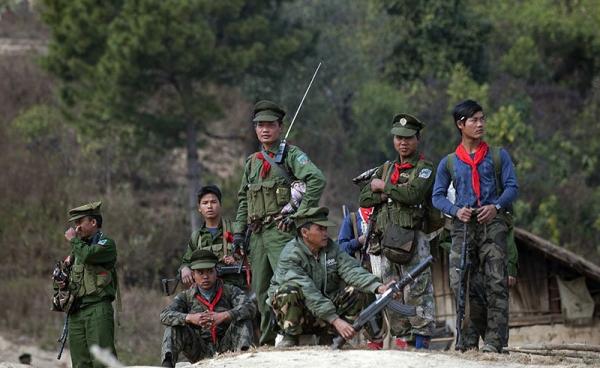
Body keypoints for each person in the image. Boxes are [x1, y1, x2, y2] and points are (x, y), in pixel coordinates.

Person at [233, 100, 326, 345]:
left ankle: (296, 334)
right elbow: (244, 199)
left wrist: (300, 215)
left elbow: (316, 179)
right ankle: (266, 341)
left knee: (290, 283)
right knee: (261, 290)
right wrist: (238, 233)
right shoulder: (252, 162)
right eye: (260, 125)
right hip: (257, 235)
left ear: (280, 127)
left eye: (270, 125)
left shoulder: (291, 155)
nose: (265, 130)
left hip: (282, 232)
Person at [432, 99, 518, 353]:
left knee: (496, 283)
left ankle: (495, 342)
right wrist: (455, 210)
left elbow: (512, 187)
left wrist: (496, 206)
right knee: (461, 285)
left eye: (482, 118)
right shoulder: (449, 162)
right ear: (461, 125)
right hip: (462, 227)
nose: (480, 124)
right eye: (474, 120)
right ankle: (468, 340)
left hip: (492, 225)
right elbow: (437, 196)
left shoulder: (498, 155)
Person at [358, 113, 436, 349]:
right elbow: (364, 196)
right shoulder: (386, 168)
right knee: (389, 291)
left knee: (418, 290)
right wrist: (387, 190)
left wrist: (383, 188)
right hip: (385, 239)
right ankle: (402, 341)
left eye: (409, 138)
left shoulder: (424, 168)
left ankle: (421, 342)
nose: (403, 142)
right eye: (399, 138)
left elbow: (413, 194)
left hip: (413, 238)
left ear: (417, 139)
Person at [268, 207, 393, 347]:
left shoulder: (331, 248)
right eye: (320, 229)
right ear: (304, 232)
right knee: (288, 291)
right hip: (302, 314)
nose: (325, 233)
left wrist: (379, 287)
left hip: (323, 312)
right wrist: (335, 319)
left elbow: (352, 270)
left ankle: (332, 337)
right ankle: (290, 337)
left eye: (325, 229)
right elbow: (308, 291)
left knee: (357, 292)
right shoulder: (291, 254)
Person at [160, 250, 256, 367]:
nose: (205, 277)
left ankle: (245, 361)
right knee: (174, 327)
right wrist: (190, 318)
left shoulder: (229, 291)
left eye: (210, 271)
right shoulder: (186, 296)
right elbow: (164, 315)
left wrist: (224, 316)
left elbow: (250, 307)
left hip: (228, 347)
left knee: (243, 319)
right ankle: (167, 364)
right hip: (199, 350)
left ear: (216, 272)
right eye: (200, 273)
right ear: (193, 275)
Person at [59, 201, 118, 368]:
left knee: (102, 362)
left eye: (79, 222)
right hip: (76, 312)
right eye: (75, 224)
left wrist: (73, 240)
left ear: (93, 222)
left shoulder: (106, 244)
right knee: (80, 363)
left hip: (97, 309)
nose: (76, 228)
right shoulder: (78, 249)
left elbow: (88, 255)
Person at [180, 185, 246, 289]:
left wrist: (236, 260)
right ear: (199, 208)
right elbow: (186, 261)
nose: (209, 206)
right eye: (205, 203)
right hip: (206, 292)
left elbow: (253, 257)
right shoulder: (197, 237)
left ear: (220, 205)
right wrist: (184, 269)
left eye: (213, 202)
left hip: (233, 288)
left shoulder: (236, 230)